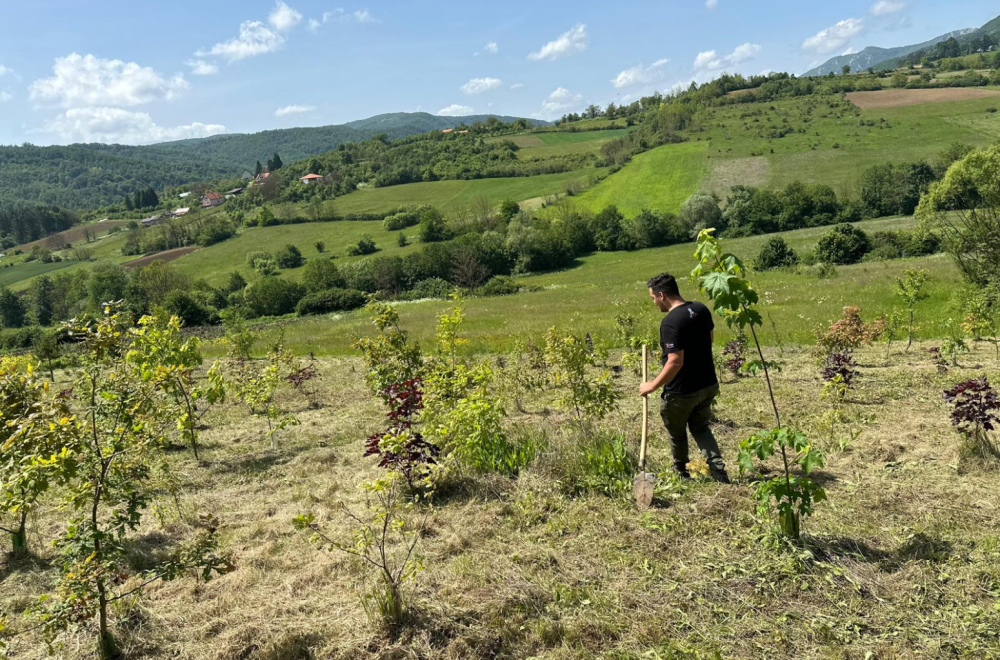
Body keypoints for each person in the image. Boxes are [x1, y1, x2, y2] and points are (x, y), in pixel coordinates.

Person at [638, 273, 730, 483]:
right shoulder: (700, 309)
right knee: (700, 427)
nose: (654, 303)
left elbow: (675, 361)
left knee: (677, 431)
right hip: (708, 384)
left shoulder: (670, 322)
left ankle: (681, 473)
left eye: (653, 298)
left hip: (681, 391)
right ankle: (718, 471)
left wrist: (651, 386)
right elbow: (710, 339)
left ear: (661, 295)